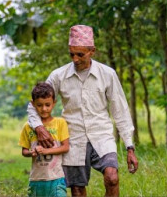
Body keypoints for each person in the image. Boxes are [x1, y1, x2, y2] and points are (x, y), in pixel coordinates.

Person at [27, 25, 139, 197]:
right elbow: (34, 103)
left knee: (112, 177)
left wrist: (129, 147)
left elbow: (120, 110)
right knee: (78, 190)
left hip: (102, 135)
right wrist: (39, 128)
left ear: (92, 51)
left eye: (80, 54)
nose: (75, 59)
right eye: (72, 54)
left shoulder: (107, 74)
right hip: (73, 138)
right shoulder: (58, 76)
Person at [19, 82, 70, 197]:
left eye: (48, 105)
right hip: (36, 180)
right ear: (33, 104)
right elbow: (24, 151)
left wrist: (46, 151)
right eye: (39, 105)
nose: (44, 109)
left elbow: (65, 147)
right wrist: (31, 152)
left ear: (54, 103)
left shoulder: (60, 123)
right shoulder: (27, 126)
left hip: (56, 178)